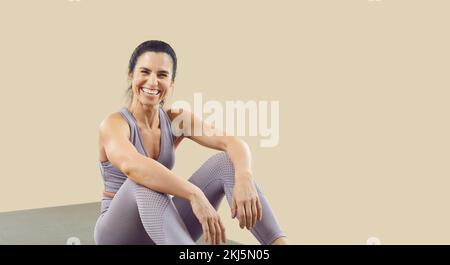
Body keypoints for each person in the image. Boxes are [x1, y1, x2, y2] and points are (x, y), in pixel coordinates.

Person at [94, 40, 288, 245]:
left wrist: (244, 177)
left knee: (225, 163)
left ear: (172, 82)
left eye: (162, 75)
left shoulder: (175, 120)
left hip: (161, 227)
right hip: (118, 234)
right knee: (141, 181)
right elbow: (133, 167)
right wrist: (195, 195)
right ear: (130, 75)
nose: (152, 82)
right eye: (145, 72)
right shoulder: (114, 124)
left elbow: (232, 142)